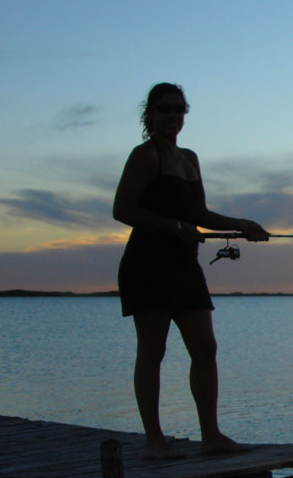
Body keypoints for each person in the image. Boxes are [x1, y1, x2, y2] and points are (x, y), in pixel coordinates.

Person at [113, 82, 269, 458]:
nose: (172, 115)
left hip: (185, 265)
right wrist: (174, 228)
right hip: (147, 263)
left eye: (179, 109)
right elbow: (123, 210)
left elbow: (199, 215)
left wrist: (242, 223)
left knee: (205, 347)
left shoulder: (190, 158)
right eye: (165, 109)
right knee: (153, 351)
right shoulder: (144, 156)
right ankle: (154, 439)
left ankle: (211, 435)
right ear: (149, 114)